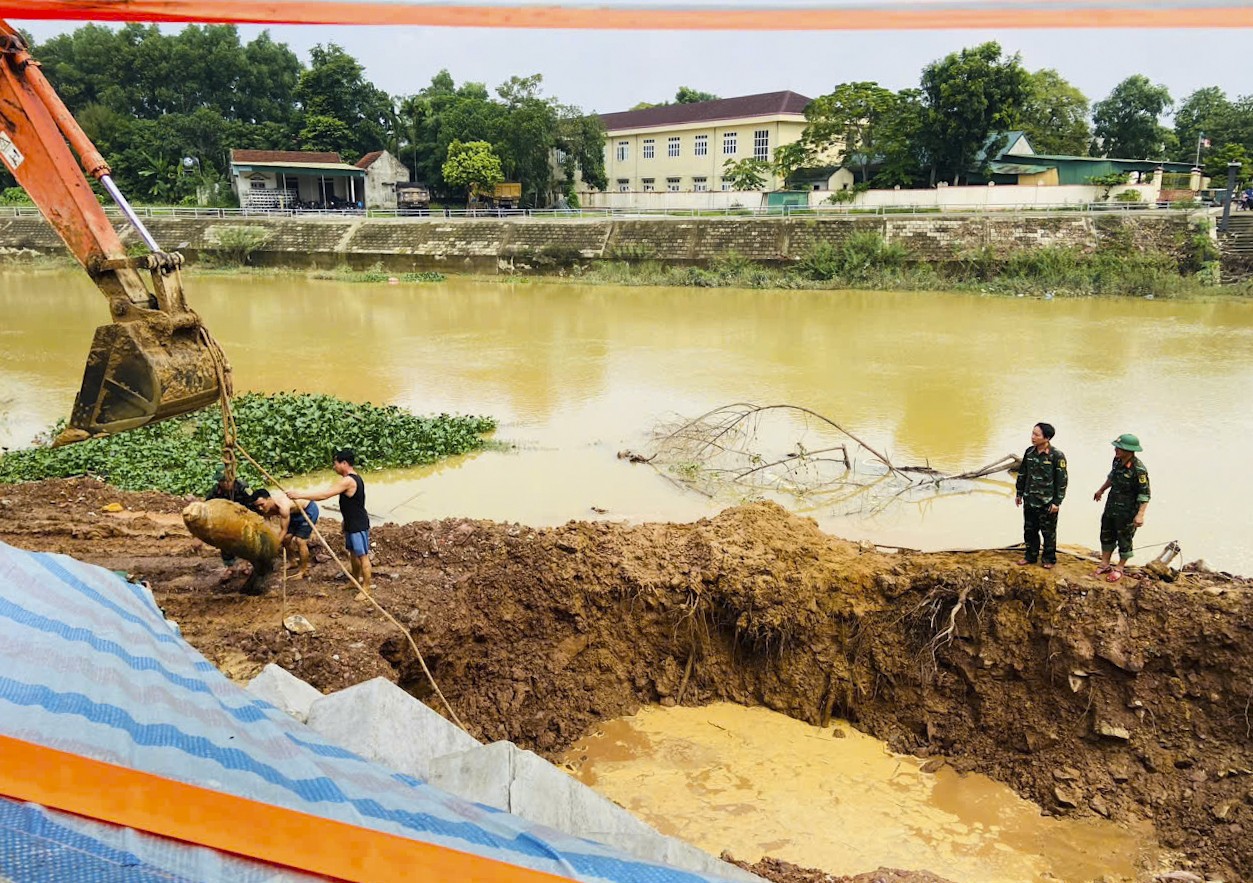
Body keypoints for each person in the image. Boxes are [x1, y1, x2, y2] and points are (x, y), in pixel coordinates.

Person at [291, 448, 371, 592]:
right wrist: (345, 521)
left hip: (358, 524)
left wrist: (300, 495)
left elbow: (325, 495)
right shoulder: (351, 479)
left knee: (362, 556)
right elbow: (352, 504)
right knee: (353, 554)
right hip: (351, 522)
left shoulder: (348, 481)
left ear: (344, 463)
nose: (334, 467)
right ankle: (355, 581)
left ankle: (366, 589)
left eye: (335, 463)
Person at [1092, 433, 1151, 583]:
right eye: (1116, 447)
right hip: (1112, 506)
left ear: (1130, 450)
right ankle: (1105, 563)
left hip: (1128, 511)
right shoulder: (1117, 461)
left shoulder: (1139, 470)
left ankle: (1119, 567)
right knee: (1106, 533)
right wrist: (1101, 490)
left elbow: (1145, 494)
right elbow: (1112, 477)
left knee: (1124, 538)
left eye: (1120, 448)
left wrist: (1140, 514)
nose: (1116, 450)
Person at [1014, 422, 1068, 570]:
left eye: (1036, 435)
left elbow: (1062, 480)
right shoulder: (1029, 452)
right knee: (1030, 530)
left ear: (1047, 437)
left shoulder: (1057, 456)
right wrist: (1019, 493)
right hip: (1030, 500)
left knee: (1048, 533)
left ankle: (1049, 558)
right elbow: (1023, 473)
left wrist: (1057, 502)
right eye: (1032, 433)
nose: (1033, 437)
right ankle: (1030, 555)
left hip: (1047, 503)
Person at [254, 489, 320, 580]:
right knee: (286, 539)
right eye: (257, 506)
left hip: (308, 510)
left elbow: (283, 530)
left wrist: (274, 546)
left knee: (300, 540)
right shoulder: (266, 509)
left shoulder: (282, 506)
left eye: (262, 504)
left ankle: (303, 570)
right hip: (293, 514)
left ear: (269, 499)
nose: (260, 508)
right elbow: (267, 524)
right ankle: (292, 561)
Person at [204, 464, 262, 569]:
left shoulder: (243, 488)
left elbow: (253, 505)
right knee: (224, 540)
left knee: (247, 541)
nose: (225, 484)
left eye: (227, 481)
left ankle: (246, 564)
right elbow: (208, 505)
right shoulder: (216, 491)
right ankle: (229, 567)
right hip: (226, 520)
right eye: (222, 482)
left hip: (244, 518)